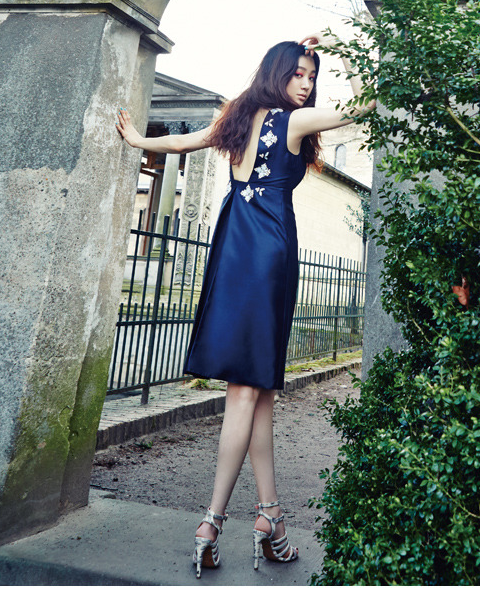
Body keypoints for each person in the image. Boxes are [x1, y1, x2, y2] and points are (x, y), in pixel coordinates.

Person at [115, 35, 374, 576]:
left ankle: (270, 517)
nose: (306, 83)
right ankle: (211, 521)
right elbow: (365, 104)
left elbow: (184, 142)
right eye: (299, 73)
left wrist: (139, 139)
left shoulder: (236, 119)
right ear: (278, 72)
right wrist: (344, 45)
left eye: (312, 76)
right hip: (269, 253)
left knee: (259, 392)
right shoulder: (292, 123)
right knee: (245, 391)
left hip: (233, 246)